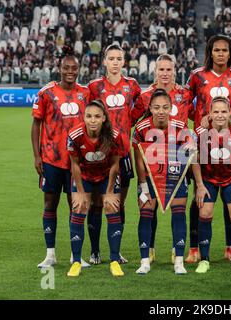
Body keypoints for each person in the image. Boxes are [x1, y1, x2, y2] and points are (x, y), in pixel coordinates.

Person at [185, 35, 231, 263]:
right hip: (203, 145)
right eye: (216, 50)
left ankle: (230, 246)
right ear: (210, 52)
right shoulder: (197, 76)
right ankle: (194, 248)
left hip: (229, 143)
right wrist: (199, 118)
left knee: (228, 198)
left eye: (225, 50)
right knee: (199, 198)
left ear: (230, 53)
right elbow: (185, 103)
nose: (220, 54)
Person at [31, 46, 91, 269]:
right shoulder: (46, 93)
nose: (70, 71)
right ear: (59, 68)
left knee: (76, 205)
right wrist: (37, 156)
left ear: (79, 69)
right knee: (50, 204)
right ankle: (50, 254)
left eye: (74, 68)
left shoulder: (85, 93)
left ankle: (76, 256)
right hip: (51, 160)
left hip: (77, 162)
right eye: (66, 67)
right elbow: (36, 124)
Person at [131, 54, 193, 264]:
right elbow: (132, 121)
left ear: (174, 70)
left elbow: (196, 114)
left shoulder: (184, 94)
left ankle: (180, 252)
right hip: (152, 162)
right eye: (161, 70)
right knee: (150, 205)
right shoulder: (145, 96)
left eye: (169, 70)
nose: (165, 74)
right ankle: (148, 250)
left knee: (178, 207)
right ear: (155, 71)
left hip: (179, 161)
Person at [87, 43, 141, 265]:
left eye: (119, 59)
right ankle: (95, 250)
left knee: (118, 203)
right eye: (112, 58)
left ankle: (115, 251)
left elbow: (141, 109)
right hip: (100, 155)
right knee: (97, 203)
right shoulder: (94, 86)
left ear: (124, 62)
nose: (116, 62)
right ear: (105, 61)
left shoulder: (132, 86)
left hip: (124, 153)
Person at [192, 96, 231, 274]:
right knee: (205, 211)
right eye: (216, 111)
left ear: (230, 113)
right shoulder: (201, 132)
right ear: (209, 114)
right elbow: (194, 159)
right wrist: (200, 185)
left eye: (223, 111)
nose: (220, 115)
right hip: (208, 179)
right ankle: (204, 259)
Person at [66, 100, 124, 277]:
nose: (92, 120)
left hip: (107, 174)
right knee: (79, 207)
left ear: (104, 118)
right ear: (83, 117)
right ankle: (76, 261)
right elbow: (74, 164)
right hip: (84, 175)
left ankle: (114, 260)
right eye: (89, 116)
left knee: (112, 206)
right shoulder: (75, 135)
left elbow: (115, 164)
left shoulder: (114, 135)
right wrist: (81, 193)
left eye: (97, 116)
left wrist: (109, 192)